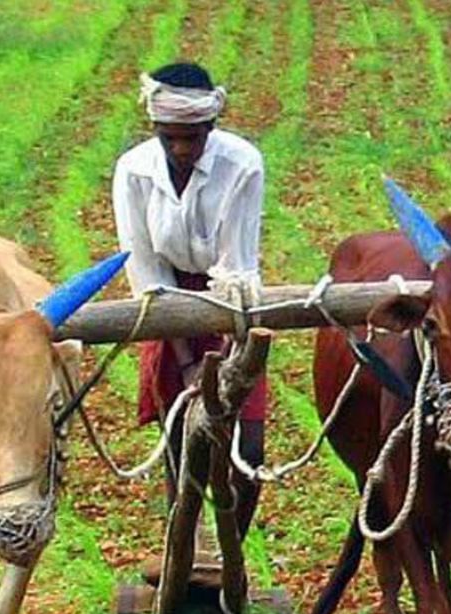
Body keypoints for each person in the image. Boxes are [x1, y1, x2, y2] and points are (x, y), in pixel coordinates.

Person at [112, 61, 266, 537]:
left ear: (211, 126)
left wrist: (227, 365)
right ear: (156, 129)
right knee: (182, 438)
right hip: (167, 307)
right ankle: (185, 546)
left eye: (192, 137)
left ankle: (230, 551)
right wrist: (185, 364)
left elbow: (235, 266)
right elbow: (146, 269)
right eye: (170, 137)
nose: (181, 148)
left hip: (230, 307)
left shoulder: (242, 164)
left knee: (249, 447)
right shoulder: (134, 171)